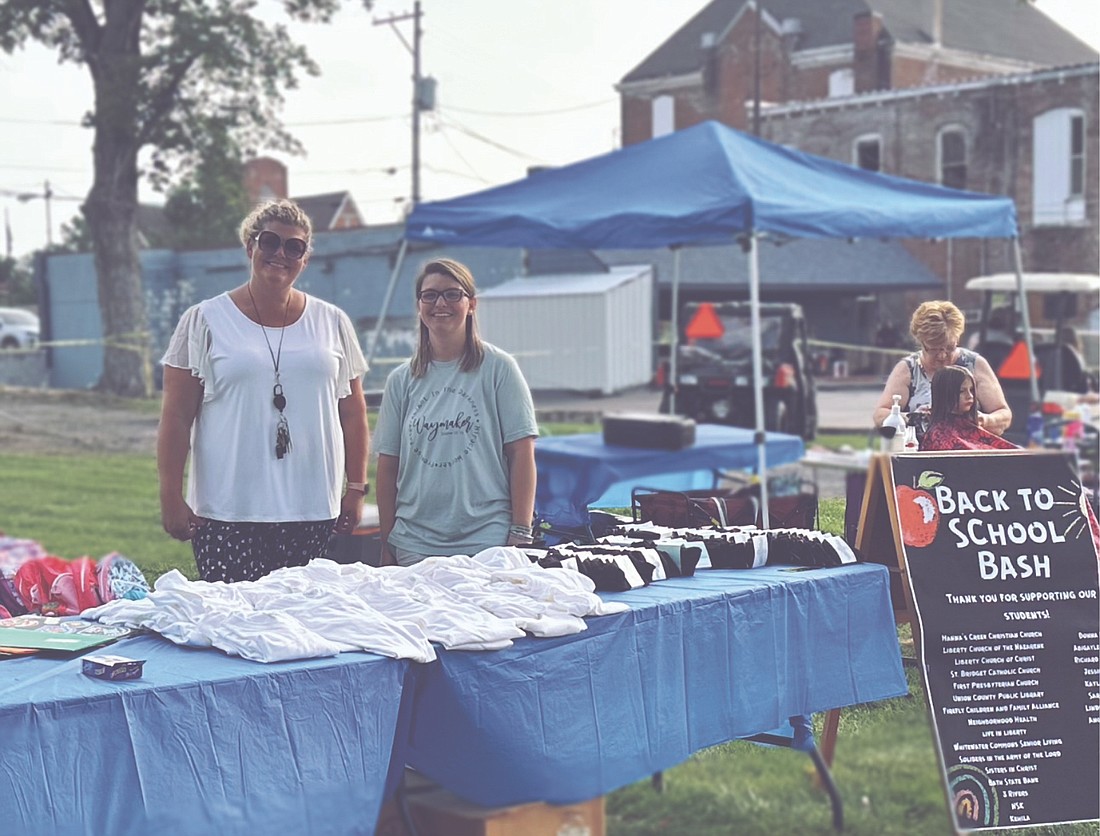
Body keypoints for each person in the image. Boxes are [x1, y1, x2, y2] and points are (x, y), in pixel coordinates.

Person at [157, 199, 370, 583]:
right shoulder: (204, 321)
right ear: (250, 246)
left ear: (305, 259)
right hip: (228, 511)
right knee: (233, 630)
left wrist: (356, 487)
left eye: (294, 247)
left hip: (312, 509)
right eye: (269, 242)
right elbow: (175, 417)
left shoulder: (332, 322)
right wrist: (170, 493)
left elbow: (353, 413)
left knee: (303, 628)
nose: (280, 254)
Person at [374, 258, 538, 566]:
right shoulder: (401, 381)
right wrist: (387, 542)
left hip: (487, 539)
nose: (440, 303)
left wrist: (520, 531)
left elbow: (522, 453)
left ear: (471, 304)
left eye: (452, 294)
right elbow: (387, 467)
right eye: (430, 295)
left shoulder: (499, 369)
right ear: (419, 305)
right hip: (416, 543)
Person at [873, 300, 1011, 441]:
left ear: (957, 340)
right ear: (921, 343)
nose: (942, 356)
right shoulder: (908, 370)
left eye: (950, 348)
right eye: (933, 349)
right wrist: (914, 418)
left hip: (968, 453)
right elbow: (880, 414)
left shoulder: (975, 365)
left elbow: (1003, 414)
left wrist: (984, 420)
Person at [920, 366, 1018, 451]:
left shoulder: (970, 424)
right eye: (962, 391)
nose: (970, 396)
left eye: (971, 390)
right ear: (945, 394)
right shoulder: (938, 437)